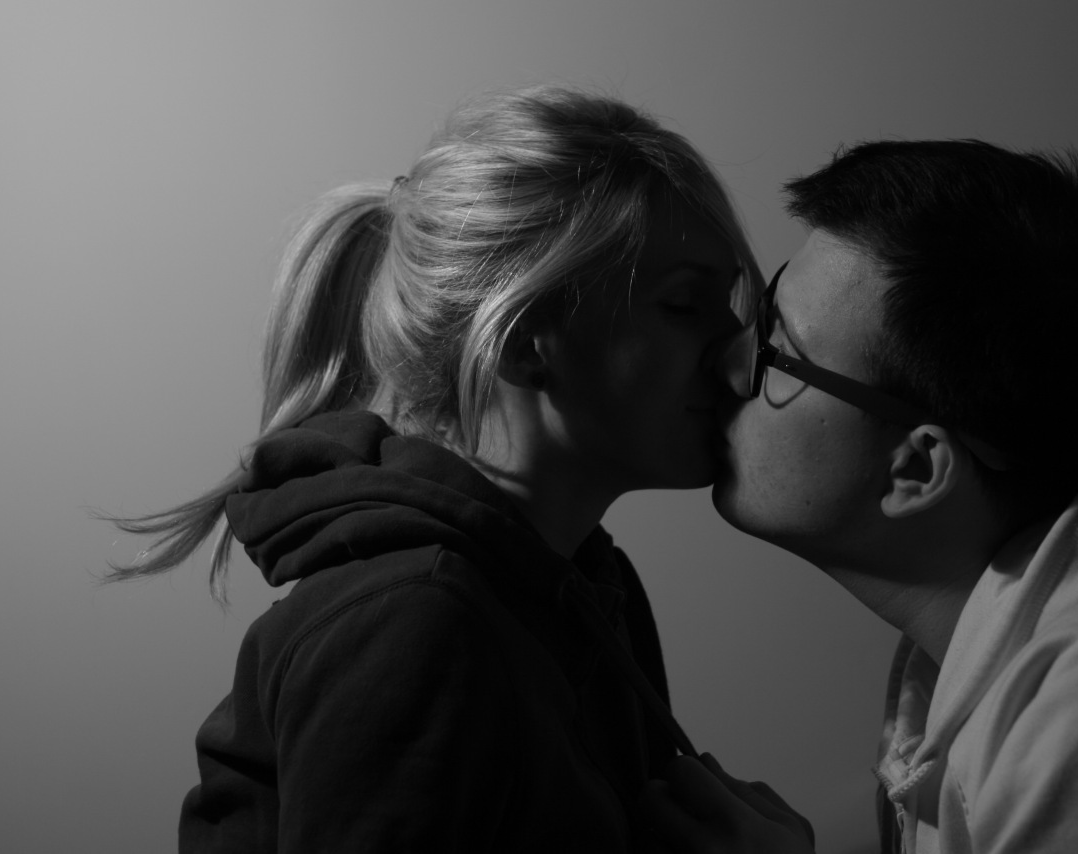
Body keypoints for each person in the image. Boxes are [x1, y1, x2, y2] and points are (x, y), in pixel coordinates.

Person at [104, 85, 761, 852]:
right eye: (684, 304)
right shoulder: (413, 625)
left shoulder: (591, 588)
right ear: (524, 343)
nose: (739, 351)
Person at [640, 139, 1078, 854]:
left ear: (916, 469)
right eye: (764, 306)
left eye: (779, 352)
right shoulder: (970, 656)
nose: (727, 361)